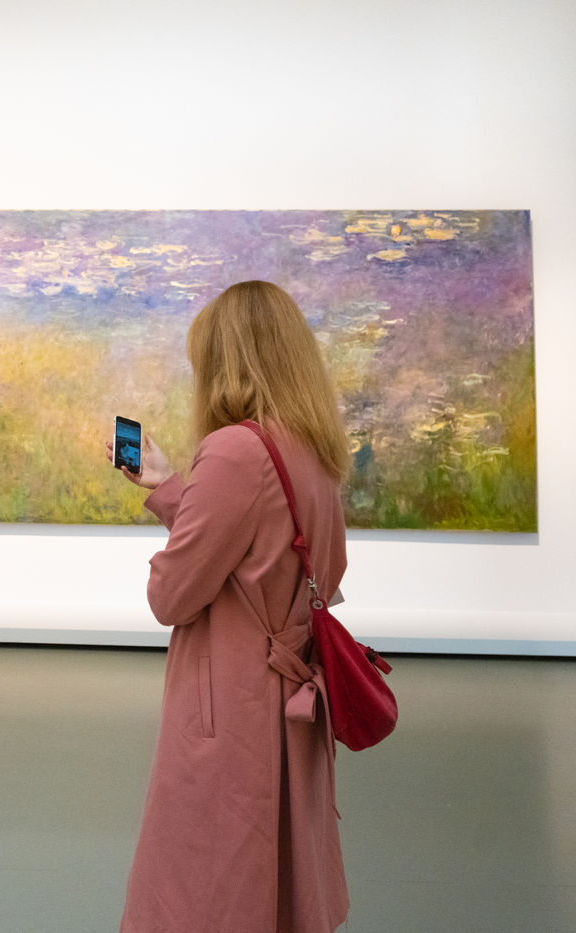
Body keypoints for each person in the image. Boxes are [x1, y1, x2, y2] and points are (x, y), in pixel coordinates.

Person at [111, 281, 352, 932]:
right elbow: (287, 563)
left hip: (231, 706)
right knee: (274, 883)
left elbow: (171, 594)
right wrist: (170, 488)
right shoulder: (313, 448)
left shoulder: (235, 449)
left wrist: (176, 528)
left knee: (209, 888)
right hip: (291, 699)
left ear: (225, 361)